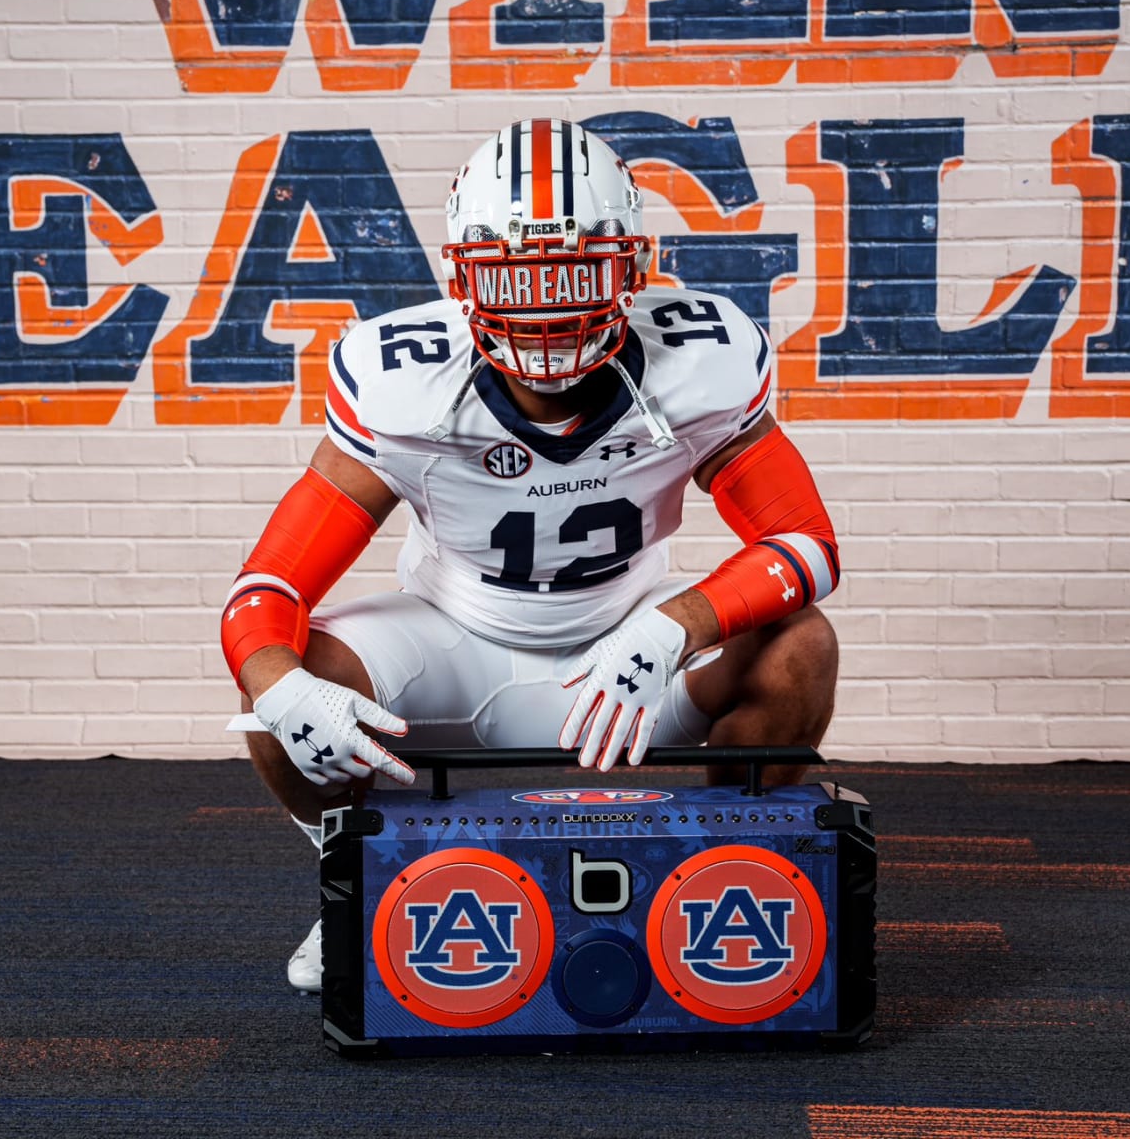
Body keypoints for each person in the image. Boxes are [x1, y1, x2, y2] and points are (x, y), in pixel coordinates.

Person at [221, 118, 841, 994]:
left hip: (628, 652)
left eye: (574, 273)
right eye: (519, 277)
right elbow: (270, 585)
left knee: (800, 644)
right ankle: (352, 887)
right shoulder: (403, 381)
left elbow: (804, 543)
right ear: (462, 278)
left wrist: (673, 626)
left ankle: (731, 879)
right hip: (453, 639)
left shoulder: (698, 360)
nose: (546, 307)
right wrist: (279, 684)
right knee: (281, 683)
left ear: (632, 268)